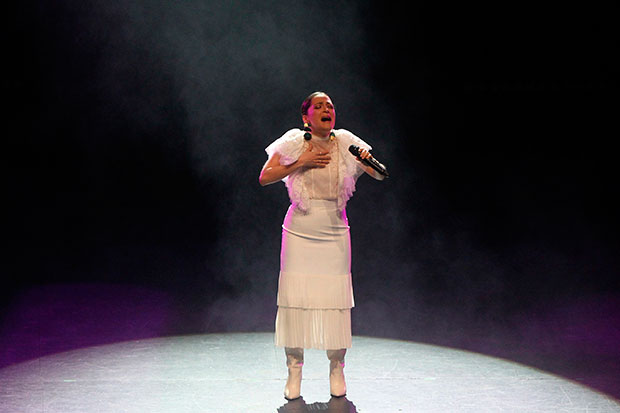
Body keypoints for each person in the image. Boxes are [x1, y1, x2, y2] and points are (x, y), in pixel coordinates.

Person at [259, 92, 385, 401]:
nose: (326, 109)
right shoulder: (294, 141)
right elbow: (265, 177)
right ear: (306, 117)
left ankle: (336, 367)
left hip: (334, 228)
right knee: (295, 300)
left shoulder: (344, 140)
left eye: (330, 105)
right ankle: (294, 368)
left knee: (335, 300)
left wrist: (368, 162)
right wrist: (300, 162)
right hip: (300, 227)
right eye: (319, 106)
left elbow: (378, 173)